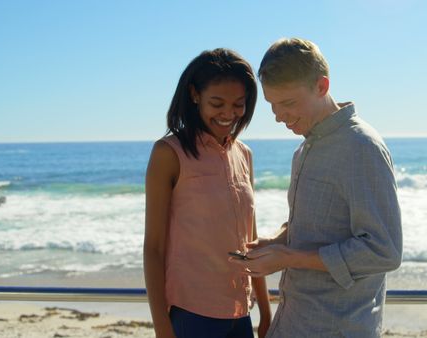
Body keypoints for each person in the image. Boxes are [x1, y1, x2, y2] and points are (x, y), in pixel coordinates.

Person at [229, 38, 402, 337]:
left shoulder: (361, 146)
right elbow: (318, 225)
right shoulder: (305, 148)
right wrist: (275, 242)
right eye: (272, 105)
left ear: (321, 87)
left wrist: (289, 258)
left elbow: (383, 250)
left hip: (336, 327)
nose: (279, 116)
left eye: (288, 103)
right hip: (294, 321)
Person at [144, 48, 271, 338]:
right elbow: (154, 248)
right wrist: (162, 328)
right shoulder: (168, 153)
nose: (229, 114)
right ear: (194, 95)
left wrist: (264, 310)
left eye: (239, 104)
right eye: (217, 103)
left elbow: (250, 241)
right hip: (191, 315)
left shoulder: (245, 154)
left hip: (241, 314)